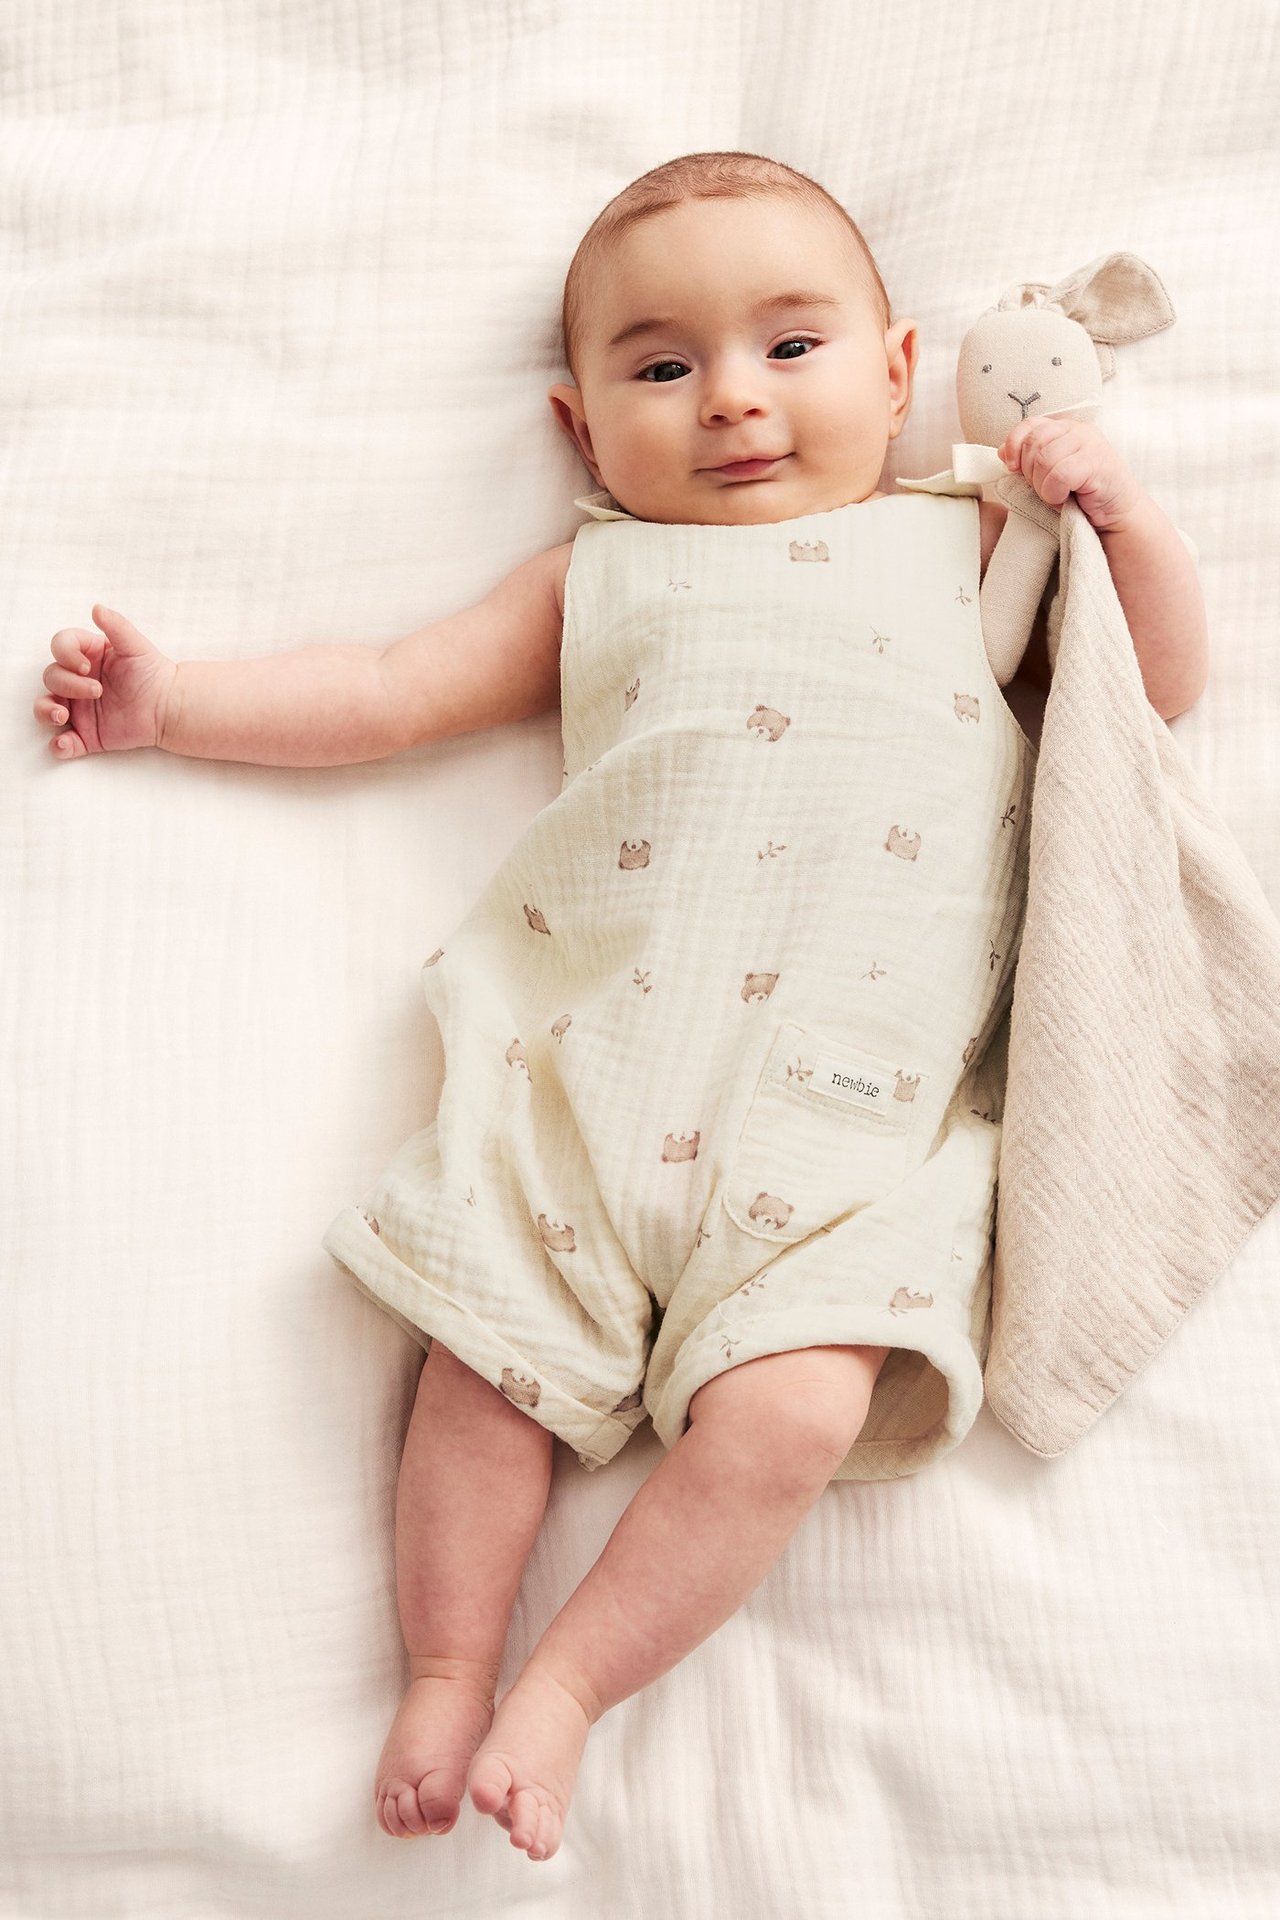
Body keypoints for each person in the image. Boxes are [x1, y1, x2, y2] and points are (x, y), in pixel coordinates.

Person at [33, 151, 1209, 1867]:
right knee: (479, 1375)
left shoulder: (961, 536)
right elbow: (382, 691)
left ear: (895, 373)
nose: (731, 399)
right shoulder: (596, 576)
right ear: (588, 429)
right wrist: (175, 702)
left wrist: (1127, 521)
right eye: (663, 369)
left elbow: (1152, 694)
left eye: (787, 349)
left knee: (794, 1412)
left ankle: (572, 1686)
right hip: (585, 1089)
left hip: (849, 1141)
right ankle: (448, 1664)